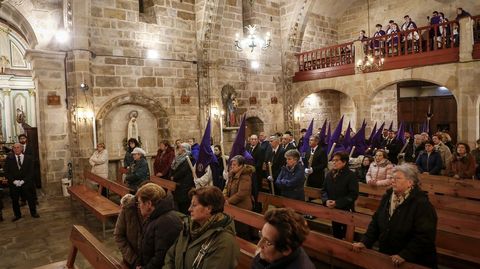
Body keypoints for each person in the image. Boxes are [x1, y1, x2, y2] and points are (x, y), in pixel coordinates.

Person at [352, 164, 438, 268]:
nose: (393, 180)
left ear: (410, 182)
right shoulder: (388, 197)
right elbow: (376, 223)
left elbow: (425, 236)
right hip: (388, 255)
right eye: (392, 178)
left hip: (413, 261)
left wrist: (405, 254)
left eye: (397, 178)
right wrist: (365, 242)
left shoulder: (421, 204)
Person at [163, 186, 240, 269]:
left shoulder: (224, 241)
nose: (189, 209)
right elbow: (171, 256)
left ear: (209, 208)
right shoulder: (189, 227)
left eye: (194, 205)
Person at [137, 183, 182, 269]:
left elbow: (161, 257)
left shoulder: (166, 222)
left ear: (149, 204)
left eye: (140, 203)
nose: (139, 206)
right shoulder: (155, 216)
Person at [321, 151, 358, 239]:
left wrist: (337, 203)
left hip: (345, 210)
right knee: (336, 233)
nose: (334, 162)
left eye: (337, 160)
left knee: (346, 234)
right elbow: (323, 191)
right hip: (333, 209)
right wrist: (326, 201)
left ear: (344, 162)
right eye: (333, 160)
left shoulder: (351, 175)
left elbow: (353, 194)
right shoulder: (330, 174)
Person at [4, 143, 39, 221]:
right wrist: (13, 181)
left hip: (26, 183)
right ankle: (17, 215)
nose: (16, 149)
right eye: (15, 148)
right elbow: (6, 172)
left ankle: (33, 213)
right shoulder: (9, 159)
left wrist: (24, 181)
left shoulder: (29, 158)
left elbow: (31, 172)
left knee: (30, 199)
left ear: (22, 148)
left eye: (18, 147)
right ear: (13, 149)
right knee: (15, 200)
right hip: (14, 184)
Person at [224, 155, 254, 239]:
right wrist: (224, 196)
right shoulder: (232, 174)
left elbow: (242, 193)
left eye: (234, 165)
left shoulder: (245, 176)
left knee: (242, 230)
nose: (232, 166)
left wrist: (229, 201)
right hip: (233, 206)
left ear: (241, 166)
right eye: (231, 164)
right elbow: (227, 187)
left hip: (243, 206)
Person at [114, 193, 143, 268]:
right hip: (130, 261)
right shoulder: (127, 210)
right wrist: (134, 259)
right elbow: (119, 236)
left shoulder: (156, 216)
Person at [170, 142, 195, 214]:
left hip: (184, 184)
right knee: (179, 204)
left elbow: (183, 170)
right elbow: (173, 168)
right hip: (178, 184)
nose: (179, 149)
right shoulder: (178, 158)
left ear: (184, 149)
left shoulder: (188, 159)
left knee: (184, 205)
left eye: (180, 147)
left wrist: (174, 176)